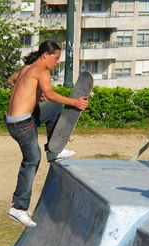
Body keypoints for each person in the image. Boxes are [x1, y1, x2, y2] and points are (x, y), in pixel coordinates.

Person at [6, 40, 89, 227]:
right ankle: (18, 207)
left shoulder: (27, 68)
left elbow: (11, 80)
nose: (57, 62)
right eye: (56, 58)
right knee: (32, 160)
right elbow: (50, 94)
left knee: (53, 108)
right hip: (22, 124)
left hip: (17, 119)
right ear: (46, 55)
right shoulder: (42, 72)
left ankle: (54, 150)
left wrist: (32, 93)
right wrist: (74, 102)